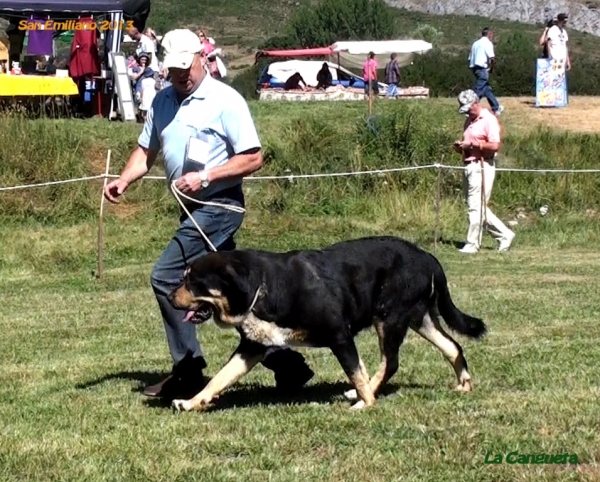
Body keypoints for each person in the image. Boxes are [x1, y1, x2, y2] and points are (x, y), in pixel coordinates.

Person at [103, 28, 314, 402]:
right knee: (237, 293)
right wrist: (123, 180)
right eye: (173, 68)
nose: (180, 74)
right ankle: (288, 366)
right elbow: (144, 153)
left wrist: (206, 176)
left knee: (166, 275)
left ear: (203, 57)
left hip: (220, 207)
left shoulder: (225, 100)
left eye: (186, 66)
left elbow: (253, 156)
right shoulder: (162, 102)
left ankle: (188, 370)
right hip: (192, 210)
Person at [453, 89, 515, 254]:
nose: (467, 112)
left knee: (475, 207)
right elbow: (468, 143)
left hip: (482, 166)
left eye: (468, 108)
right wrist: (461, 148)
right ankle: (505, 235)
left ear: (475, 103)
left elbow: (494, 145)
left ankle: (472, 243)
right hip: (469, 164)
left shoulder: (488, 120)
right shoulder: (469, 121)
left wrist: (472, 146)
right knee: (476, 206)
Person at [468, 27, 503, 116]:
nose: (493, 36)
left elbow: (469, 58)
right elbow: (492, 58)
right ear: (489, 34)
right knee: (479, 90)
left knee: (487, 89)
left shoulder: (475, 43)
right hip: (482, 68)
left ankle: (496, 107)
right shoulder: (487, 43)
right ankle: (470, 107)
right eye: (492, 34)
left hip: (475, 68)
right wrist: (491, 69)